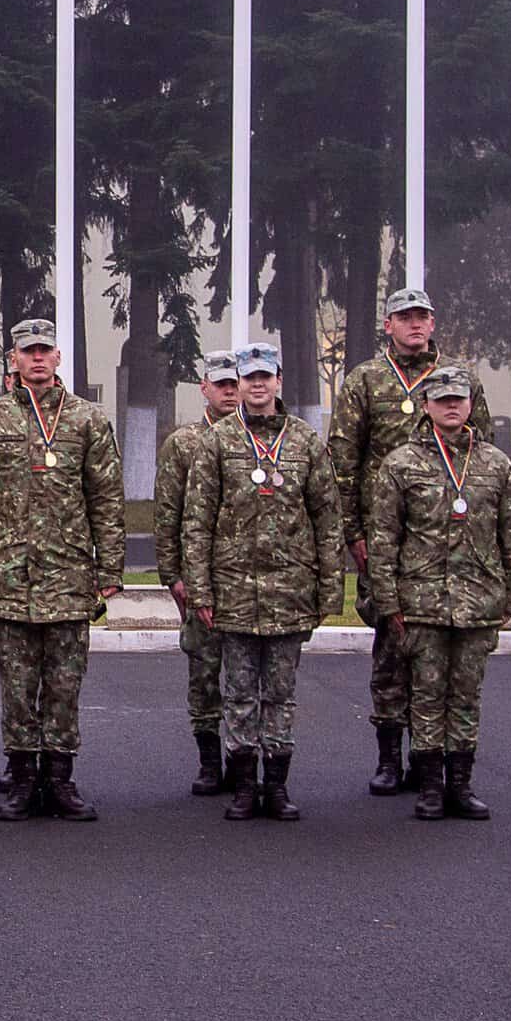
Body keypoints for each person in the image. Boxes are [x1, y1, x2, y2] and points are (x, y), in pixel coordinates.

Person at [0, 318, 125, 821]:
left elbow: (107, 499)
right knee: (15, 685)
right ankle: (23, 780)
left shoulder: (87, 420)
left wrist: (109, 565)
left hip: (69, 577)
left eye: (45, 350)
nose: (36, 358)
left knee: (65, 684)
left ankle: (61, 779)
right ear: (13, 359)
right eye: (27, 351)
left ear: (57, 358)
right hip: (10, 578)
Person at [329, 288, 492, 798]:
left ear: (433, 322)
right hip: (386, 538)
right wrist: (353, 533)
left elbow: (481, 451)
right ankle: (388, 755)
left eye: (422, 316)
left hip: (448, 536)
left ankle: (441, 763)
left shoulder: (460, 379)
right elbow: (344, 461)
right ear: (388, 325)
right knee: (392, 644)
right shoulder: (365, 379)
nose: (415, 325)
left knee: (449, 654)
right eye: (405, 317)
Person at [182, 342, 342, 823]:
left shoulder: (306, 443)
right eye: (247, 377)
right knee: (237, 694)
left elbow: (327, 519)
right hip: (233, 593)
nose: (255, 385)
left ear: (279, 382)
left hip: (290, 593)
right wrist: (201, 590)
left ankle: (277, 785)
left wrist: (328, 592)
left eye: (264, 376)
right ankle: (245, 785)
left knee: (281, 694)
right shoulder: (216, 442)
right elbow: (197, 522)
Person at [367, 365, 511, 821]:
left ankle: (461, 783)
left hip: (479, 601)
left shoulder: (495, 464)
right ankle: (431, 786)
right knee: (425, 695)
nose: (452, 407)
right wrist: (389, 601)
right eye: (442, 401)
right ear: (427, 408)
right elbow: (384, 540)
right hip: (422, 604)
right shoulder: (401, 464)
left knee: (465, 697)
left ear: (470, 405)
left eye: (459, 400)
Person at [153, 349, 241, 796]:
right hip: (201, 577)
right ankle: (210, 763)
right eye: (220, 383)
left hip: (252, 580)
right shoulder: (184, 444)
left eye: (235, 383)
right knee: (205, 674)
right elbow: (167, 515)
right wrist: (173, 576)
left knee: (250, 677)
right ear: (204, 388)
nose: (229, 391)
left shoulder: (266, 441)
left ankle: (246, 762)